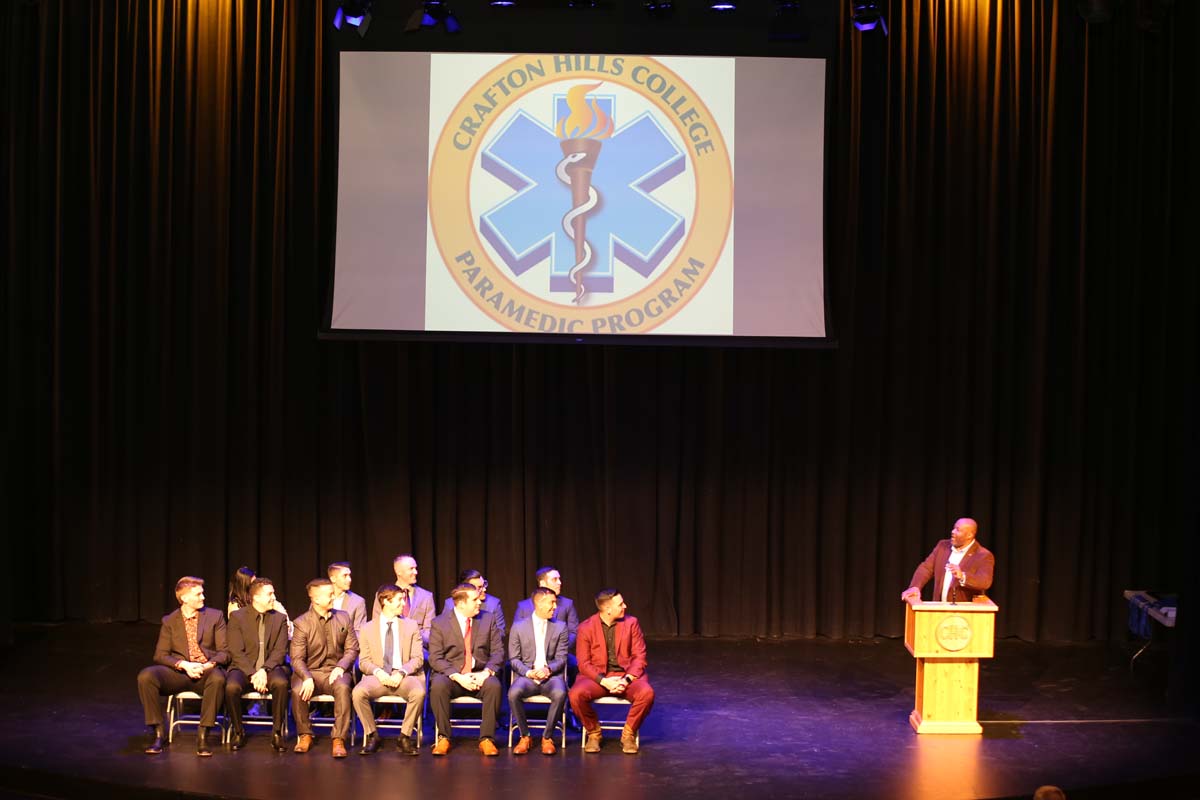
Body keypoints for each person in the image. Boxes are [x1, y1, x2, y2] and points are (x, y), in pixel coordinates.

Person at [136, 576, 229, 756]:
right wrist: (184, 664)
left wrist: (206, 666)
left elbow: (224, 652)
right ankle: (158, 732)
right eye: (198, 594)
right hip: (179, 673)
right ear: (184, 598)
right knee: (146, 676)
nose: (203, 597)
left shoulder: (215, 616)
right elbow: (160, 655)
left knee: (218, 678)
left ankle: (203, 734)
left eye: (202, 593)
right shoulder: (170, 621)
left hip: (205, 671)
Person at [569, 588, 654, 754]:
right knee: (575, 695)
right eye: (620, 604)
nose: (625, 606)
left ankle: (628, 734)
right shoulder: (586, 627)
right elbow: (584, 664)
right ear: (607, 609)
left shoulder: (631, 623)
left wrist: (626, 680)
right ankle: (594, 733)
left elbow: (639, 656)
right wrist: (604, 681)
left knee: (647, 694)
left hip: (625, 676)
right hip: (598, 678)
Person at [428, 583, 504, 756]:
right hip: (453, 676)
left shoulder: (488, 619)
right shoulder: (439, 623)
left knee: (494, 685)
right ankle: (444, 737)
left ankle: (486, 739)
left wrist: (485, 673)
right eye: (475, 599)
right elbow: (435, 657)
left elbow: (498, 652)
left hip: (479, 674)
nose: (480, 602)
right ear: (461, 604)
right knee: (438, 685)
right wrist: (457, 676)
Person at [352, 583, 426, 756]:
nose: (403, 604)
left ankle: (405, 736)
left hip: (404, 675)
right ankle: (372, 735)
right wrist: (378, 672)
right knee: (358, 693)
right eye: (399, 600)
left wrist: (401, 673)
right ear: (386, 601)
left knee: (418, 693)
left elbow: (418, 658)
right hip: (378, 675)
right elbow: (363, 661)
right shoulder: (367, 628)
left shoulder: (411, 626)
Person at [290, 578, 359, 758]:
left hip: (335, 671)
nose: (333, 597)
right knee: (298, 690)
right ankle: (305, 734)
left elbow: (352, 648)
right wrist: (306, 677)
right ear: (316, 600)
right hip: (310, 671)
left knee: (343, 687)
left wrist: (341, 666)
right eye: (329, 595)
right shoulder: (302, 623)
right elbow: (296, 658)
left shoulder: (343, 617)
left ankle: (338, 738)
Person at [225, 577, 290, 752]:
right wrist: (253, 673)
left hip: (271, 666)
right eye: (270, 594)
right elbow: (236, 651)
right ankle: (238, 731)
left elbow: (280, 650)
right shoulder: (237, 617)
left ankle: (276, 732)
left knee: (281, 683)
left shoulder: (280, 619)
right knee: (231, 687)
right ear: (256, 597)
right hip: (244, 667)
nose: (274, 597)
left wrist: (263, 670)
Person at [507, 587, 569, 755]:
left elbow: (562, 658)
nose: (555, 606)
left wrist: (548, 669)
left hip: (551, 677)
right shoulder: (519, 627)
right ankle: (525, 736)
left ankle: (547, 737)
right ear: (539, 603)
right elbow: (514, 659)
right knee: (513, 694)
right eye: (552, 602)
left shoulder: (560, 627)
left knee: (560, 693)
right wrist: (528, 672)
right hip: (528, 676)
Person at [901, 517, 995, 605]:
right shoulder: (942, 546)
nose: (952, 532)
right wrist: (915, 586)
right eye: (954, 528)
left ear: (969, 535)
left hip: (966, 613)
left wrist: (963, 576)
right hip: (940, 610)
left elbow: (984, 581)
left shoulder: (983, 555)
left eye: (958, 530)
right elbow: (926, 568)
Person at [373, 553, 436, 649]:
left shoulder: (426, 597)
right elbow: (376, 625)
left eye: (415, 568)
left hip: (418, 649)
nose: (415, 572)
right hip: (390, 648)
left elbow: (430, 632)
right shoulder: (383, 595)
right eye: (411, 569)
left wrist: (410, 634)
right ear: (398, 572)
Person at [513, 566, 579, 651]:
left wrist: (561, 649)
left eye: (559, 579)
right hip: (530, 657)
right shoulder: (524, 606)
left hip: (559, 655)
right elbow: (517, 634)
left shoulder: (567, 604)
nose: (559, 582)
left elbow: (573, 632)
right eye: (554, 579)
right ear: (542, 583)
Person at [441, 569, 507, 643]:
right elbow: (444, 631)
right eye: (479, 587)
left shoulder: (493, 604)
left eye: (484, 585)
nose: (484, 589)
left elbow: (500, 633)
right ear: (467, 588)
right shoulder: (450, 604)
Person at [227, 565, 292, 638]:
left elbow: (285, 621)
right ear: (245, 586)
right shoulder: (235, 606)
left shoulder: (268, 600)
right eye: (253, 583)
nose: (256, 585)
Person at [327, 561, 367, 631]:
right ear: (333, 578)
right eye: (345, 576)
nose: (349, 579)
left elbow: (359, 631)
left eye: (349, 575)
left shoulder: (358, 601)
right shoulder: (321, 598)